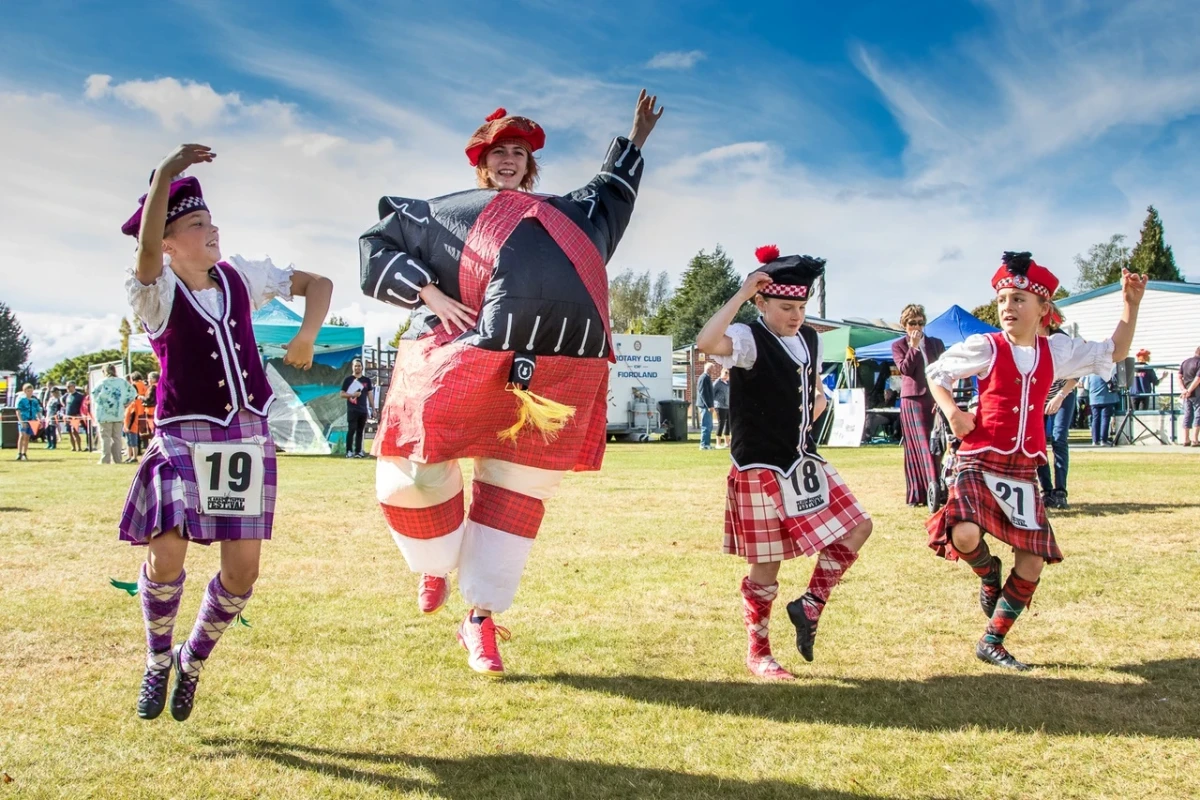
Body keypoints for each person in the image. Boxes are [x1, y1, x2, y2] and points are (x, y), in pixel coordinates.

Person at [360, 91, 663, 676]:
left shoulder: (566, 214)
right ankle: (432, 560)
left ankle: (479, 619)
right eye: (499, 151)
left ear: (531, 164)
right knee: (418, 466)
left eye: (519, 152)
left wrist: (637, 138)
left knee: (517, 488)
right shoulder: (449, 215)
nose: (509, 159)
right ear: (481, 161)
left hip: (549, 369)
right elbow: (378, 241)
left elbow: (610, 191)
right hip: (459, 353)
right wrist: (429, 292)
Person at [119, 143, 332, 722]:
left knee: (243, 573)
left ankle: (192, 659)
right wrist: (165, 171)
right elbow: (143, 255)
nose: (211, 231)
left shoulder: (243, 276)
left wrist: (308, 335)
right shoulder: (154, 290)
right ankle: (158, 659)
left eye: (211, 221)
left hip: (246, 435)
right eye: (196, 224)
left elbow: (320, 283)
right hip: (183, 433)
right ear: (167, 241)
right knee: (166, 557)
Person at [925, 252, 1145, 670]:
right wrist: (953, 412)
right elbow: (938, 373)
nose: (1008, 307)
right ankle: (989, 574)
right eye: (1004, 299)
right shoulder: (985, 346)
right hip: (978, 458)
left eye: (1019, 299)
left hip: (1023, 470)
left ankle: (993, 640)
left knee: (1032, 558)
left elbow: (1114, 350)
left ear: (1043, 309)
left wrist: (1130, 303)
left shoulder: (1056, 351)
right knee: (965, 536)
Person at [696, 246, 873, 680]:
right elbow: (705, 342)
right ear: (762, 303)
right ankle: (758, 653)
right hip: (760, 465)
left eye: (800, 306)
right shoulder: (747, 339)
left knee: (859, 526)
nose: (795, 315)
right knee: (767, 564)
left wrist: (815, 397)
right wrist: (739, 294)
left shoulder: (809, 336)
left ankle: (809, 605)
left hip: (803, 459)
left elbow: (809, 382)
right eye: (786, 307)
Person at [891, 304, 947, 507]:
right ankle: (920, 493)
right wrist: (913, 347)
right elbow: (905, 369)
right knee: (920, 445)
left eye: (920, 323)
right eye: (912, 323)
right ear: (904, 325)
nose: (917, 327)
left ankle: (939, 488)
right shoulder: (898, 345)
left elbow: (944, 368)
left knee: (938, 444)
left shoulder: (936, 343)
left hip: (936, 397)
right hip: (913, 399)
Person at [1036, 306, 1078, 509]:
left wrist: (1059, 397)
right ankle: (1046, 490)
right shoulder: (1027, 339)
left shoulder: (1061, 340)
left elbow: (1076, 373)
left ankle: (1060, 491)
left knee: (1059, 438)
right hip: (1039, 396)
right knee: (1038, 442)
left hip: (1063, 392)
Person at [93, 364, 137, 464]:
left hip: (104, 414)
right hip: (118, 413)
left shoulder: (101, 382)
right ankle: (117, 459)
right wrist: (127, 402)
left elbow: (94, 394)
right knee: (117, 438)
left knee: (105, 438)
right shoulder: (122, 382)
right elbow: (133, 392)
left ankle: (105, 459)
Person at [340, 358, 374, 458]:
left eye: (359, 365)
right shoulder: (348, 380)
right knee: (351, 430)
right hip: (352, 409)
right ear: (352, 367)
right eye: (355, 366)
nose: (357, 367)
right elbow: (341, 394)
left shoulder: (366, 380)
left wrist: (373, 408)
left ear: (362, 367)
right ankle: (349, 451)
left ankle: (358, 451)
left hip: (363, 410)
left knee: (360, 431)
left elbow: (370, 394)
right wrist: (352, 394)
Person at [1081, 372, 1119, 446]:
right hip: (1107, 398)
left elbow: (1086, 386)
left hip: (1094, 399)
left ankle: (1095, 440)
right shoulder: (1108, 372)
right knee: (1105, 419)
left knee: (1095, 419)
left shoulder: (1090, 374)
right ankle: (1103, 440)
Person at [15, 383, 42, 461]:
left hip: (32, 420)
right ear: (25, 391)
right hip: (24, 420)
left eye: (31, 391)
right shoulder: (21, 400)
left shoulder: (35, 401)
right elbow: (18, 411)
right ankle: (19, 453)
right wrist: (21, 421)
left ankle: (24, 453)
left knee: (27, 437)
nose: (30, 392)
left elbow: (38, 411)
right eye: (28, 391)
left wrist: (40, 420)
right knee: (22, 436)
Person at [1181, 346, 1200, 446]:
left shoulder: (1185, 362)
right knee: (1198, 414)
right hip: (1197, 392)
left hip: (1186, 393)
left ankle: (1185, 439)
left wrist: (1184, 390)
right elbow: (1198, 379)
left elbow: (1179, 377)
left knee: (1187, 414)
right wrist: (1189, 390)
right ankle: (1195, 439)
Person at [695, 362, 717, 450]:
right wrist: (709, 405)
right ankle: (703, 444)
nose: (714, 371)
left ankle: (707, 444)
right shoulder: (704, 378)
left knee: (709, 425)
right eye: (713, 369)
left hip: (707, 405)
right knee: (706, 425)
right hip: (705, 406)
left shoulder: (707, 378)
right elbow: (703, 393)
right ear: (709, 369)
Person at [63, 381, 86, 451]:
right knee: (69, 432)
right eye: (67, 387)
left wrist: (80, 414)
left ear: (73, 387)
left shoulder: (79, 396)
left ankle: (79, 447)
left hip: (75, 416)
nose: (67, 388)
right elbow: (63, 402)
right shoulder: (67, 396)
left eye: (69, 387)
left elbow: (83, 406)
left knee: (74, 431)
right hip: (68, 416)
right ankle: (73, 447)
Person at [713, 368, 731, 448]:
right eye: (725, 373)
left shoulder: (728, 383)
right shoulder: (718, 382)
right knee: (721, 423)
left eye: (728, 373)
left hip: (728, 405)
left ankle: (727, 442)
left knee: (728, 424)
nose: (726, 374)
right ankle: (718, 443)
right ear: (721, 373)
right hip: (720, 405)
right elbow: (712, 392)